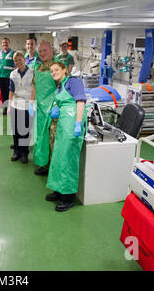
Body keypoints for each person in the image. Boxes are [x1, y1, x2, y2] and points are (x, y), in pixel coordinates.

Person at [45, 62, 87, 212]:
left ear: (64, 70)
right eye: (51, 71)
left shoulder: (74, 82)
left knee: (68, 159)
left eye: (56, 69)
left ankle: (68, 197)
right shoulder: (60, 86)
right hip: (63, 124)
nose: (53, 73)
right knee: (58, 157)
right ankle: (58, 189)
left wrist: (78, 123)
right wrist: (56, 108)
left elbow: (80, 102)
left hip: (72, 124)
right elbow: (61, 101)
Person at [30, 41, 58, 176]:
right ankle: (45, 165)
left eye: (44, 51)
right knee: (41, 137)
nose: (42, 53)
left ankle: (53, 168)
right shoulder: (38, 67)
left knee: (52, 140)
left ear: (51, 51)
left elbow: (63, 87)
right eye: (40, 51)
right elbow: (34, 87)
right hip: (41, 109)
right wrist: (31, 103)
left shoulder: (57, 67)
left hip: (53, 110)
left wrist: (57, 105)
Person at [8, 52, 34, 164]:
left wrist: (32, 105)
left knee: (26, 130)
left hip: (28, 104)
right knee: (16, 130)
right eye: (16, 61)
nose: (18, 62)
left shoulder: (32, 72)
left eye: (20, 59)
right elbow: (11, 90)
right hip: (16, 104)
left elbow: (34, 89)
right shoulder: (13, 74)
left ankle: (24, 153)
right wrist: (9, 106)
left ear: (24, 59)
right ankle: (16, 151)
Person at [0, 37, 15, 115]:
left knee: (11, 93)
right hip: (1, 77)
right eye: (3, 43)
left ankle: (12, 109)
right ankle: (6, 109)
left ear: (9, 43)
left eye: (6, 42)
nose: (4, 44)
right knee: (4, 94)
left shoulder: (13, 53)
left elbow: (16, 65)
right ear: (2, 44)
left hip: (10, 78)